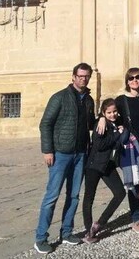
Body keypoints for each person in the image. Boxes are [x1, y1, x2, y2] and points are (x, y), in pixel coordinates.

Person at [34, 63, 95, 254]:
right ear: (73, 77)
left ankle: (66, 232)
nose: (83, 79)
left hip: (80, 154)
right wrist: (48, 150)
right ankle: (41, 237)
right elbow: (45, 124)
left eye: (86, 76)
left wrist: (102, 118)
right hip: (60, 153)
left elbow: (89, 123)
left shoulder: (89, 100)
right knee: (52, 196)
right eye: (80, 76)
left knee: (74, 195)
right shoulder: (59, 97)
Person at [115, 68, 139, 234]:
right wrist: (102, 118)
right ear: (127, 81)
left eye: (138, 77)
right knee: (133, 181)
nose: (135, 80)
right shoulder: (121, 100)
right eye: (131, 78)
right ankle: (136, 217)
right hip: (131, 147)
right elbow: (111, 116)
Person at [82, 99, 128, 243]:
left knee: (120, 193)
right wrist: (116, 134)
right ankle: (88, 231)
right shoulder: (100, 124)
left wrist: (118, 128)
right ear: (103, 112)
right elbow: (100, 144)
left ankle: (99, 223)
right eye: (108, 112)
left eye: (114, 111)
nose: (112, 114)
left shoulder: (116, 121)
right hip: (94, 165)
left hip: (108, 165)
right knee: (89, 197)